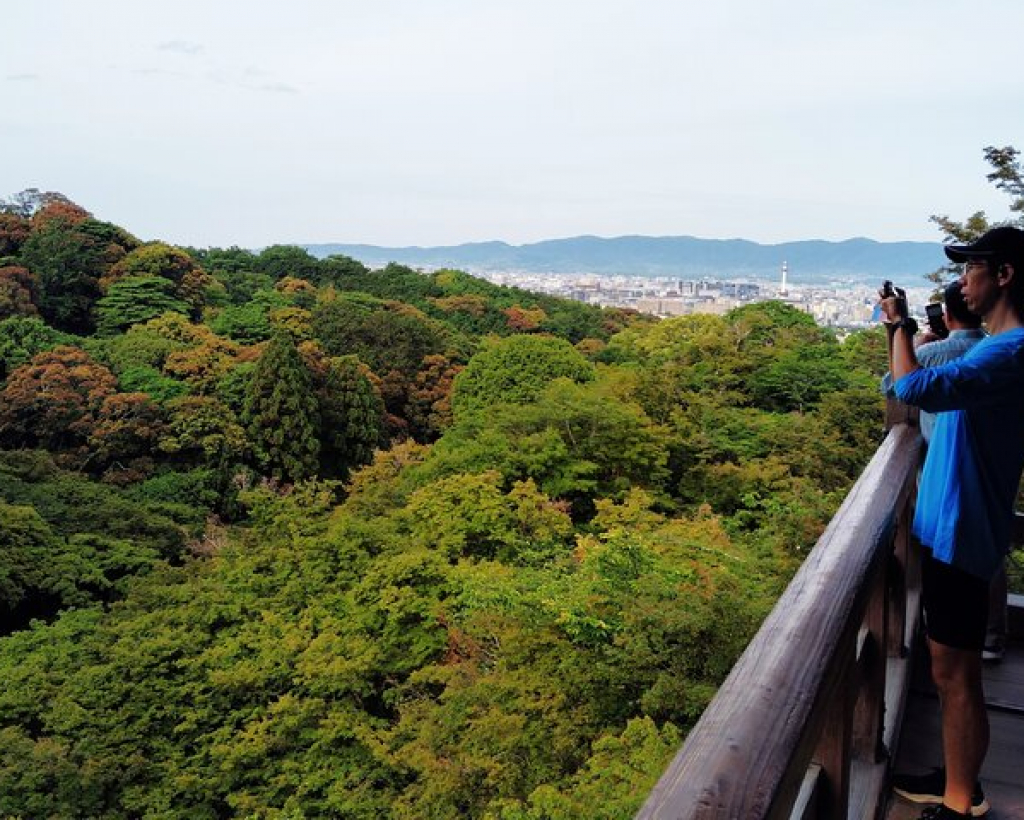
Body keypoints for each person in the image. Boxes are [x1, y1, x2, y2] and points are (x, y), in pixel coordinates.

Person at [881, 226, 1024, 820]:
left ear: (1005, 275)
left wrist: (899, 326)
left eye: (972, 268)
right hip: (957, 527)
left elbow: (909, 386)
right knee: (951, 670)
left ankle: (962, 802)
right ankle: (957, 775)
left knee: (957, 672)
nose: (964, 280)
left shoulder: (1008, 351)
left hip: (963, 531)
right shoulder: (999, 347)